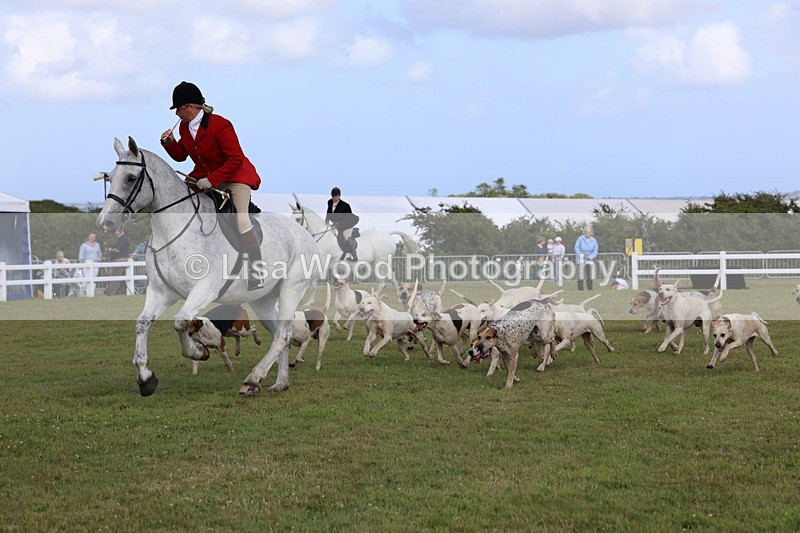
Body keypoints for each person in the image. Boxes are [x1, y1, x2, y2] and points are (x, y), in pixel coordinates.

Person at [160, 81, 264, 290]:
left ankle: (257, 272)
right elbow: (181, 156)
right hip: (203, 177)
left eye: (178, 109)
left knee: (242, 221)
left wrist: (212, 180)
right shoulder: (184, 126)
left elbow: (235, 159)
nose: (177, 114)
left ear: (190, 107)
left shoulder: (221, 125)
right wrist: (170, 143)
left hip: (235, 178)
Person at [325, 187, 360, 261]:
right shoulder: (330, 202)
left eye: (335, 196)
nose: (333, 198)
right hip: (337, 224)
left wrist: (339, 224)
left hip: (348, 224)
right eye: (332, 196)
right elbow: (329, 212)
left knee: (345, 236)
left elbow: (348, 218)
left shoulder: (345, 206)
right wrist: (327, 220)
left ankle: (354, 255)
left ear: (339, 196)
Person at [105, 229, 130, 296]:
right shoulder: (121, 239)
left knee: (115, 276)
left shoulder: (123, 239)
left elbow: (118, 249)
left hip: (120, 260)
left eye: (116, 232)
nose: (116, 234)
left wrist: (110, 250)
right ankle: (112, 291)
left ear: (120, 232)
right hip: (118, 259)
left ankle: (112, 292)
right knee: (114, 276)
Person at [574, 226, 598, 290]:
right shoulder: (580, 239)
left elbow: (595, 251)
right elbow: (576, 248)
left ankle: (590, 289)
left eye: (589, 232)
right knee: (580, 275)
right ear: (584, 232)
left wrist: (590, 257)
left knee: (589, 274)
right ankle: (580, 289)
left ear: (591, 233)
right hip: (580, 258)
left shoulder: (594, 240)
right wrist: (582, 255)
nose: (587, 233)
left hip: (589, 258)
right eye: (586, 232)